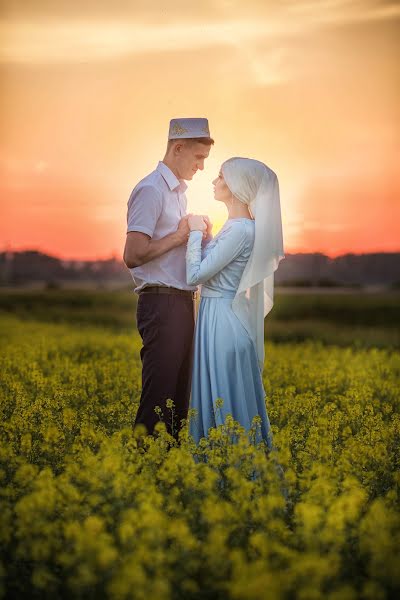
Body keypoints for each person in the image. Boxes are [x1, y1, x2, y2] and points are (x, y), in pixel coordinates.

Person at [123, 118, 214, 441]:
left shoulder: (178, 194)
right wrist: (179, 237)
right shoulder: (150, 190)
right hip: (161, 303)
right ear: (178, 148)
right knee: (158, 400)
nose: (201, 167)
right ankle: (142, 474)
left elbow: (175, 250)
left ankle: (165, 478)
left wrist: (199, 239)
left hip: (182, 303)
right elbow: (133, 254)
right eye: (198, 157)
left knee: (177, 402)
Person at [185, 157, 285, 451]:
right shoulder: (233, 228)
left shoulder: (242, 230)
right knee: (220, 402)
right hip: (217, 318)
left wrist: (193, 231)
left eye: (220, 177)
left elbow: (195, 275)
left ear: (238, 186)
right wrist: (205, 236)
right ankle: (224, 477)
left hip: (222, 323)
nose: (214, 182)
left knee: (225, 404)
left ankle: (234, 476)